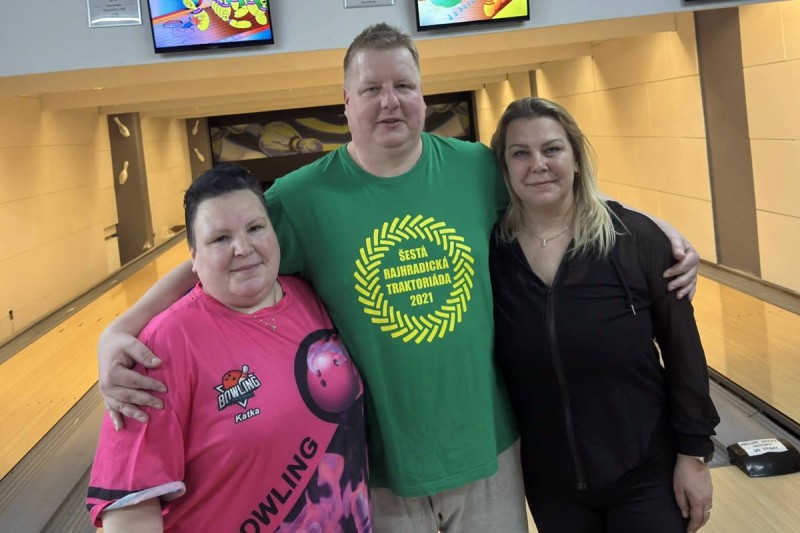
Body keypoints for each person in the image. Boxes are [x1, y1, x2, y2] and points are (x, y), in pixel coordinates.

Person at [96, 23, 700, 532]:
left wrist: (657, 229)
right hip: (379, 471)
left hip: (491, 454)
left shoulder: (474, 167)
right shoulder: (302, 198)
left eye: (403, 86)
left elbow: (553, 193)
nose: (389, 101)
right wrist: (123, 326)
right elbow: (224, 251)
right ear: (346, 102)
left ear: (422, 96)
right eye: (372, 89)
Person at [86, 164, 371, 532]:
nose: (243, 248)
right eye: (220, 238)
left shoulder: (308, 296)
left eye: (255, 228)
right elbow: (129, 510)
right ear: (193, 254)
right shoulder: (161, 346)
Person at [489, 97, 720, 533]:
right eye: (520, 153)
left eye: (552, 149)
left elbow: (684, 351)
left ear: (576, 158)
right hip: (551, 483)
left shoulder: (636, 239)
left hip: (646, 471)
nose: (538, 164)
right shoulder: (492, 255)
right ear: (504, 168)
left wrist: (694, 455)